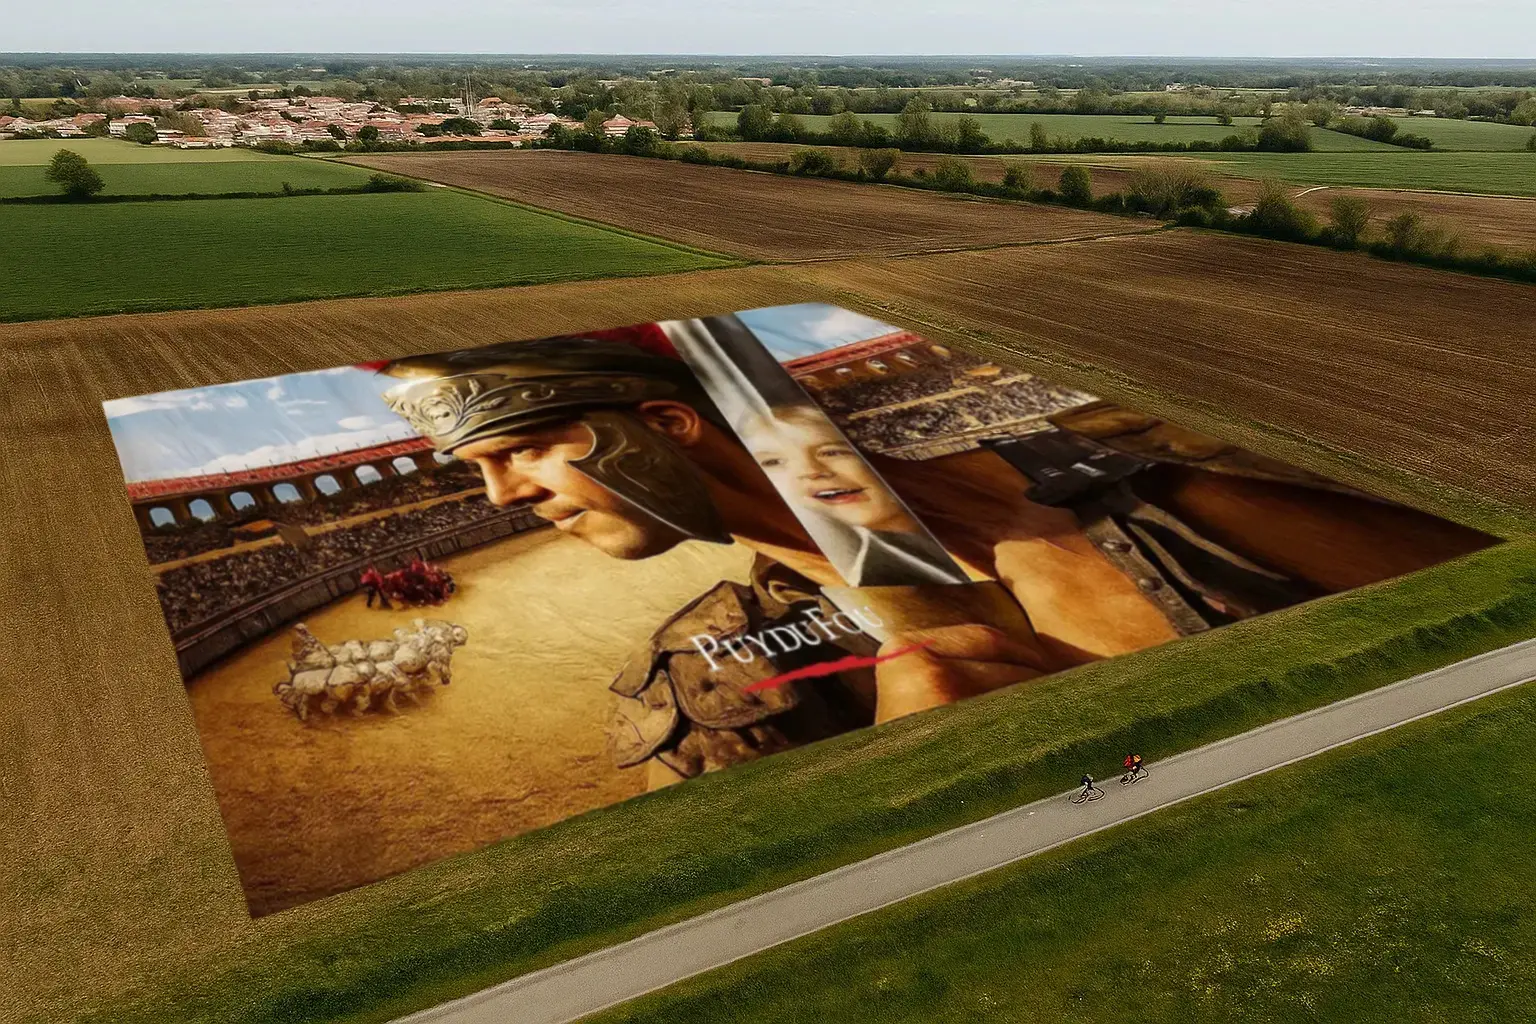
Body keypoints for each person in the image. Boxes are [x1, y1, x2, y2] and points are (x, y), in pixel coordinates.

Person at [375, 327, 1495, 789]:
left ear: (665, 425)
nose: (507, 497)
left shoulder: (1163, 505)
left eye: (520, 453)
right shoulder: (725, 684)